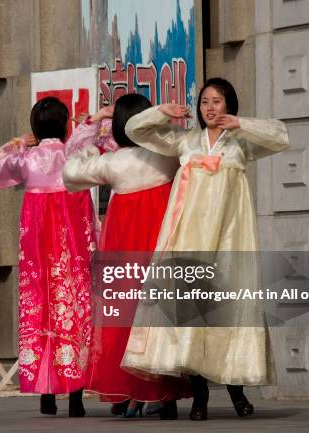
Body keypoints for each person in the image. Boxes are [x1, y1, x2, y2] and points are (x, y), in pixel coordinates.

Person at [120, 78, 289, 420]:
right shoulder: (186, 142)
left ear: (230, 105)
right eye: (204, 102)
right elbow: (135, 130)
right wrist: (161, 111)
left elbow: (280, 136)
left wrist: (242, 123)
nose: (210, 108)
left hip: (229, 242)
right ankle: (199, 399)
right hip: (190, 241)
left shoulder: (241, 143)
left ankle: (237, 394)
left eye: (217, 101)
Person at [63, 93, 190, 420]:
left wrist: (91, 139)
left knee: (124, 316)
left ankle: (129, 393)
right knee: (161, 315)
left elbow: (71, 172)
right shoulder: (166, 154)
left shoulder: (114, 163)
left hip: (123, 242)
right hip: (162, 237)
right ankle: (165, 394)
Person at [0, 97, 97, 417]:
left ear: (35, 127)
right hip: (70, 253)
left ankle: (46, 392)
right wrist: (93, 122)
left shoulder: (27, 159)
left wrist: (16, 143)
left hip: (36, 254)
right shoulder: (73, 154)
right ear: (65, 125)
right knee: (73, 312)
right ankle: (76, 397)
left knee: (40, 312)